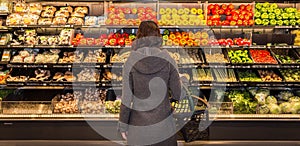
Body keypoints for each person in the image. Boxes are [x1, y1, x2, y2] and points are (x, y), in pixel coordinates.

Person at [118, 20, 181, 146]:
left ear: (139, 37)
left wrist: (123, 125)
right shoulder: (168, 59)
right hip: (164, 128)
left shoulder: (130, 61)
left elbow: (126, 98)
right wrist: (183, 79)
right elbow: (177, 94)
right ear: (158, 36)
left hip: (138, 128)